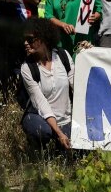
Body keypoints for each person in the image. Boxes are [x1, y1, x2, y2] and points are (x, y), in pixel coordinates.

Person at [20, 18, 74, 153]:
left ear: (43, 38)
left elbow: (78, 87)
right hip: (41, 117)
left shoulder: (63, 56)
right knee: (42, 131)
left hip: (66, 119)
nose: (25, 43)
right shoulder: (27, 68)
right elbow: (41, 103)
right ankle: (37, 146)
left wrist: (86, 52)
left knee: (74, 151)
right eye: (24, 39)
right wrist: (59, 132)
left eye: (30, 39)